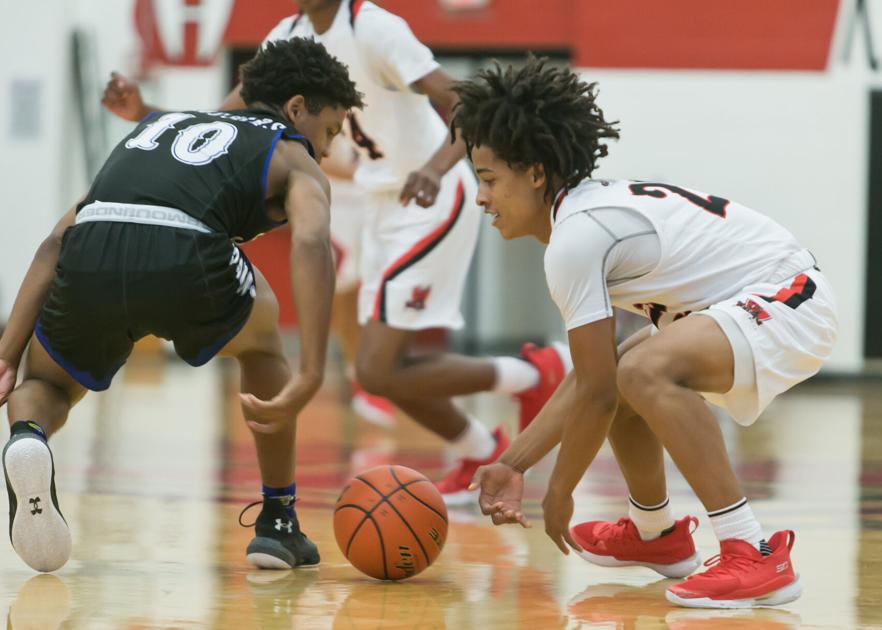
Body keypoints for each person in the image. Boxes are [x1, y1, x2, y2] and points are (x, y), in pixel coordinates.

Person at [104, 0, 572, 505]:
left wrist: (436, 168)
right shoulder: (288, 33)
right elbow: (224, 117)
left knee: (375, 369)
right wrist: (146, 114)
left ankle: (532, 379)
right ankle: (500, 422)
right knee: (382, 367)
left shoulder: (375, 28)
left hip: (428, 200)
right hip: (381, 204)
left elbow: (464, 100)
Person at [458, 57, 838, 608]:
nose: (481, 198)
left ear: (535, 173)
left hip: (789, 296)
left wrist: (558, 490)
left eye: (489, 179)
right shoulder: (582, 220)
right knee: (629, 369)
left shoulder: (576, 238)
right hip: (747, 299)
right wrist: (513, 463)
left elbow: (597, 392)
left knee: (642, 371)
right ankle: (656, 534)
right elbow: (594, 380)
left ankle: (752, 551)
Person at [0, 38, 363, 572]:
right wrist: (310, 370)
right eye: (330, 131)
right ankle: (278, 521)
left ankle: (27, 438)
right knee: (262, 344)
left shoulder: (152, 130)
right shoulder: (291, 152)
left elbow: (55, 242)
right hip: (185, 249)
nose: (328, 149)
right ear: (295, 108)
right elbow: (311, 243)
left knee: (47, 386)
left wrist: (7, 352)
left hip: (91, 244)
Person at [102, 74, 396, 430]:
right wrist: (145, 111)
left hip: (374, 206)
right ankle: (357, 374)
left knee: (372, 294)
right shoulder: (303, 109)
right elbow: (215, 122)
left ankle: (364, 375)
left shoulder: (376, 98)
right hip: (337, 208)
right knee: (343, 294)